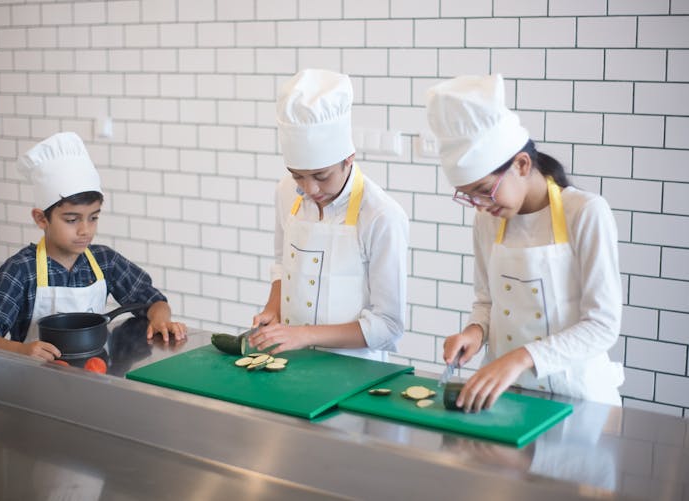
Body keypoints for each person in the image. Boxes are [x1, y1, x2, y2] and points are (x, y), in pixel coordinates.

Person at [426, 74, 624, 410]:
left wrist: (521, 357)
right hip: (508, 398)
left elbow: (602, 326)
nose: (481, 206)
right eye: (468, 197)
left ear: (521, 164)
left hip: (577, 400)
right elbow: (487, 300)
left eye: (484, 191)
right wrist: (475, 331)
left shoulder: (586, 213)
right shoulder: (487, 220)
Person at [0, 132, 187, 361]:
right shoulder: (21, 269)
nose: (85, 230)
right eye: (72, 220)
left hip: (93, 373)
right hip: (33, 380)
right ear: (41, 219)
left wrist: (161, 319)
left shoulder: (105, 261)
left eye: (93, 218)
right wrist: (21, 350)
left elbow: (153, 301)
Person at [248, 68, 409, 361]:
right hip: (291, 361)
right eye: (298, 175)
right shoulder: (286, 192)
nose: (310, 188)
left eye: (321, 176)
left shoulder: (381, 215)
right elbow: (281, 265)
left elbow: (389, 326)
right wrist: (273, 309)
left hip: (355, 372)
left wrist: (305, 334)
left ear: (349, 157)